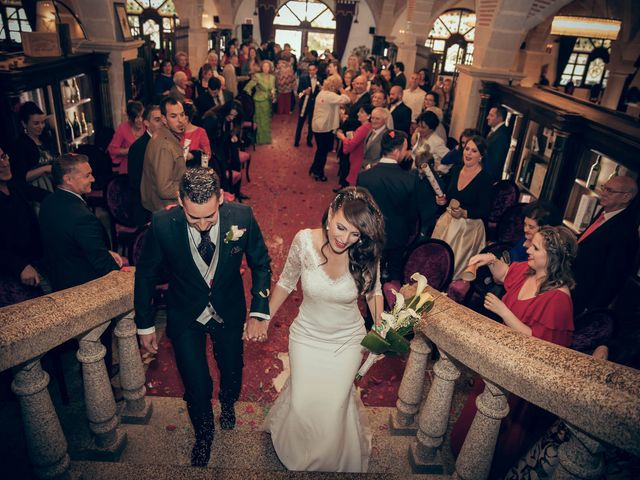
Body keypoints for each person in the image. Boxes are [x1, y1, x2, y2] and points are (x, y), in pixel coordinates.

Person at [135, 167, 271, 467]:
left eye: (209, 217)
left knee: (232, 367)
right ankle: (204, 434)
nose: (202, 225)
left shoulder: (242, 217)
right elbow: (145, 275)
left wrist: (259, 311)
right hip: (185, 312)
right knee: (196, 383)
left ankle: (227, 401)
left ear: (220, 198)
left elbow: (261, 264)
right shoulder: (161, 224)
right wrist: (144, 324)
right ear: (181, 202)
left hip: (228, 308)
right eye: (193, 217)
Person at [264, 187, 385, 472]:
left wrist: (381, 329)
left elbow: (373, 292)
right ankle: (298, 452)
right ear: (330, 214)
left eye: (354, 233)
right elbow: (285, 282)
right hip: (306, 336)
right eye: (341, 227)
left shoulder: (365, 251)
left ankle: (329, 458)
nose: (345, 239)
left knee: (333, 408)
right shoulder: (304, 241)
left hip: (347, 341)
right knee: (304, 403)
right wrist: (263, 317)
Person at [451, 226, 577, 477]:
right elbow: (505, 275)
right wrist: (491, 260)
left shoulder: (559, 299)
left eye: (536, 247)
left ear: (552, 256)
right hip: (499, 361)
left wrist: (503, 311)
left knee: (496, 433)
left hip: (519, 379)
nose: (527, 247)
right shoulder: (529, 271)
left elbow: (540, 345)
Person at [357, 131, 437, 281]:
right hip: (397, 238)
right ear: (397, 151)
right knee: (394, 275)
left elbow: (360, 210)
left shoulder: (364, 176)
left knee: (370, 276)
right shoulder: (409, 179)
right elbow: (413, 215)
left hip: (371, 236)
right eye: (406, 148)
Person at [572, 175, 638, 317]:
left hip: (584, 299)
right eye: (604, 188)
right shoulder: (605, 212)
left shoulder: (625, 231)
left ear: (626, 197)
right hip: (573, 286)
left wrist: (591, 310)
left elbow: (613, 276)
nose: (604, 193)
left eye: (610, 191)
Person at [432, 135, 492, 280]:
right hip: (448, 221)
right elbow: (448, 196)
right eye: (467, 149)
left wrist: (464, 213)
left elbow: (485, 210)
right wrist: (442, 201)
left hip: (469, 228)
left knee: (452, 271)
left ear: (481, 156)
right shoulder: (456, 170)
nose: (468, 153)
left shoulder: (485, 179)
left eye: (474, 151)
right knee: (435, 262)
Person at [0, 145, 47, 307]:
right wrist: (19, 266)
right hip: (9, 274)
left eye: (4, 156)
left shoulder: (13, 185)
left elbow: (44, 196)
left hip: (34, 262)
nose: (5, 163)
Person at [141, 97, 187, 213]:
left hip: (168, 206)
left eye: (182, 115)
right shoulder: (165, 146)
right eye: (174, 116)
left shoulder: (163, 134)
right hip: (167, 210)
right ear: (164, 119)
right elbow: (165, 190)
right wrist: (190, 185)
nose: (180, 120)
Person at [309, 74, 351, 182]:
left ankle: (314, 168)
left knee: (320, 150)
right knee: (322, 151)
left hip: (318, 125)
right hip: (324, 127)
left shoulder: (322, 93)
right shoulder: (330, 95)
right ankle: (319, 172)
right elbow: (347, 99)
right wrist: (342, 89)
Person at [128, 104, 163, 227]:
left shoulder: (166, 141)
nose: (162, 123)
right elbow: (135, 182)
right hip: (146, 207)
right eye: (157, 120)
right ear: (146, 123)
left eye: (163, 119)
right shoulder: (138, 147)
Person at [10, 101, 55, 192]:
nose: (41, 126)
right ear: (24, 124)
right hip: (37, 190)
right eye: (36, 123)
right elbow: (21, 177)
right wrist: (45, 169)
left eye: (42, 122)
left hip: (54, 184)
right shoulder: (20, 145)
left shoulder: (45, 138)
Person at [336, 104, 373, 188]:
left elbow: (349, 146)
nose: (358, 114)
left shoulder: (364, 128)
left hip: (358, 159)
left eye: (362, 112)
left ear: (368, 116)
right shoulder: (368, 127)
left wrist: (342, 137)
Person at [243, 60, 276, 144]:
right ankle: (258, 139)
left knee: (266, 120)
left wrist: (273, 95)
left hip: (268, 101)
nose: (265, 68)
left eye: (267, 67)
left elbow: (273, 88)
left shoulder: (272, 77)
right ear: (262, 68)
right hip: (258, 100)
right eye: (264, 66)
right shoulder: (257, 76)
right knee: (258, 120)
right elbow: (248, 87)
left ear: (270, 68)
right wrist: (248, 97)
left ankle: (266, 139)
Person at [108, 100, 145, 174]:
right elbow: (112, 150)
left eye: (142, 116)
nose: (140, 120)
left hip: (145, 168)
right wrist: (131, 151)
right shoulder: (123, 128)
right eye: (136, 117)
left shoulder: (147, 126)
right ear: (130, 117)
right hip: (128, 168)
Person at [294, 62, 320, 148]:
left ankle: (309, 140)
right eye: (310, 70)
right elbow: (299, 94)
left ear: (316, 70)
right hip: (304, 104)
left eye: (313, 70)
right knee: (300, 122)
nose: (311, 72)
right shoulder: (303, 78)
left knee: (311, 124)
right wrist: (304, 92)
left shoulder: (320, 79)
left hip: (315, 105)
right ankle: (296, 140)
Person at [485, 105, 511, 183]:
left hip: (489, 179)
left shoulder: (502, 135)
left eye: (491, 115)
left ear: (499, 118)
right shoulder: (495, 132)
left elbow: (496, 162)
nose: (487, 117)